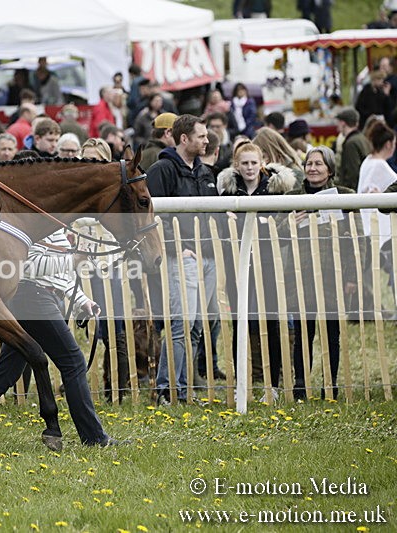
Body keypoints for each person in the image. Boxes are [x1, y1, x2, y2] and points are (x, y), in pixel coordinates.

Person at [0, 227, 124, 448]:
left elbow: (58, 274)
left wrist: (81, 301)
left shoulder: (53, 227)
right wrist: (73, 259)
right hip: (34, 298)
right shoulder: (34, 225)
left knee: (6, 372)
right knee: (73, 362)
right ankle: (94, 437)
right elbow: (27, 266)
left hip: (34, 297)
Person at [146, 114, 218, 405]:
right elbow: (152, 218)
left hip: (206, 256)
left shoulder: (205, 172)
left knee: (198, 326)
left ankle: (184, 388)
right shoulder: (161, 170)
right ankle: (166, 389)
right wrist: (175, 249)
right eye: (201, 136)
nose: (207, 140)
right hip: (180, 256)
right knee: (181, 324)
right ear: (184, 138)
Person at [282, 146, 360, 401]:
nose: (313, 168)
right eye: (309, 163)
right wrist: (288, 225)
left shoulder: (345, 196)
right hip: (300, 276)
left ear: (329, 168)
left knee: (331, 334)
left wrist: (351, 277)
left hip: (332, 275)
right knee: (303, 333)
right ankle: (301, 384)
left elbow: (357, 240)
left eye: (318, 163)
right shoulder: (292, 197)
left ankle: (331, 383)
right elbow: (275, 235)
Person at [218, 142, 296, 395]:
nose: (250, 168)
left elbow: (281, 226)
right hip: (237, 263)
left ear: (261, 163)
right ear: (236, 165)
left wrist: (252, 222)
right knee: (241, 319)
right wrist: (257, 222)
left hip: (268, 262)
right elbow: (222, 224)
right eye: (245, 163)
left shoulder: (275, 191)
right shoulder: (229, 192)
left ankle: (271, 384)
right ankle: (244, 380)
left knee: (270, 320)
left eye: (254, 163)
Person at [358, 120, 397, 291]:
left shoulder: (368, 160)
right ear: (388, 144)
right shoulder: (381, 165)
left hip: (367, 223)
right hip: (378, 225)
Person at [335, 107, 372, 191]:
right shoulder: (362, 138)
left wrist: (347, 192)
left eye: (338, 122)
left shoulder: (351, 143)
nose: (337, 125)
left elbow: (352, 173)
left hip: (354, 192)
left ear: (343, 123)